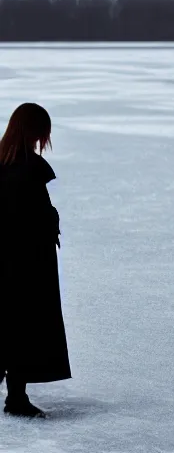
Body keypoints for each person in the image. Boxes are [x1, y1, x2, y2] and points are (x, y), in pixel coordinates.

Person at [0, 103, 71, 419]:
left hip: (7, 260)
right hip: (25, 264)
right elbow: (32, 218)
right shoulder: (27, 170)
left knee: (6, 325)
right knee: (22, 326)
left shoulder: (4, 162)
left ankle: (14, 393)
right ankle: (16, 397)